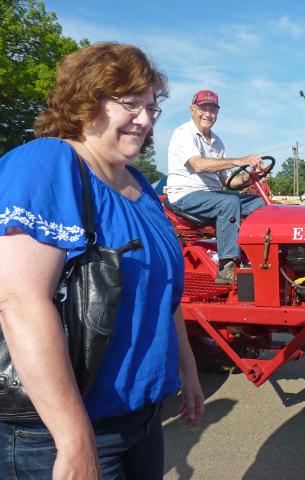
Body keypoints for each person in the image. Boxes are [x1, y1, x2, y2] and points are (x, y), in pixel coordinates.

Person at [0, 43, 204, 479]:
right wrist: (74, 441)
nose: (146, 120)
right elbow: (20, 304)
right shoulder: (47, 163)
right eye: (130, 104)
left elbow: (165, 295)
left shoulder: (142, 188)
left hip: (141, 419)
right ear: (85, 100)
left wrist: (188, 372)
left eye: (151, 107)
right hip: (55, 432)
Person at [166, 89, 265, 284]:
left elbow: (227, 182)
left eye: (212, 110)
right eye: (203, 108)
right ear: (192, 109)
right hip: (186, 196)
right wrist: (238, 160)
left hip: (213, 196)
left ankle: (259, 256)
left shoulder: (217, 142)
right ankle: (227, 267)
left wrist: (250, 177)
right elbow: (198, 165)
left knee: (260, 204)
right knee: (228, 202)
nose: (208, 114)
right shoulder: (183, 134)